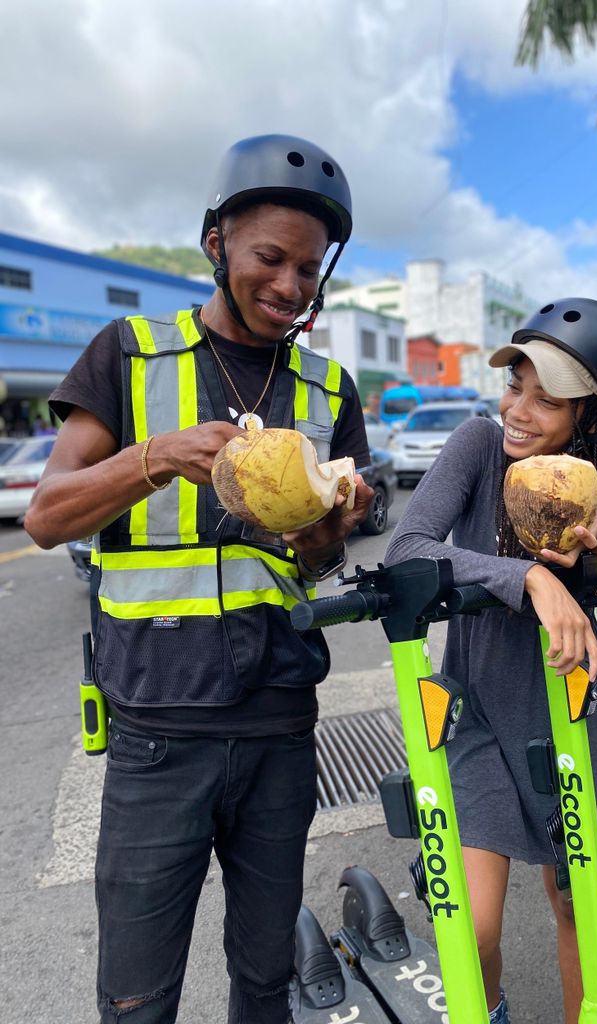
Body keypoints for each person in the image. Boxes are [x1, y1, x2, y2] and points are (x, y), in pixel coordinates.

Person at [25, 134, 373, 1024]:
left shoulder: (330, 389)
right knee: (138, 999)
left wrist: (331, 527)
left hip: (280, 734)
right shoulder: (130, 354)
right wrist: (154, 456)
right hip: (155, 737)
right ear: (216, 243)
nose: (290, 286)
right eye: (269, 258)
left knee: (264, 985)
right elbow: (47, 515)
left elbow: (312, 564)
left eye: (308, 268)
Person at [384, 298, 597, 1024]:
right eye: (515, 385)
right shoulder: (478, 446)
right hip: (475, 714)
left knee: (579, 911)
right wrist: (530, 577)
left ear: (595, 416)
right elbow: (407, 549)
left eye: (547, 399)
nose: (518, 409)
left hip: (571, 715)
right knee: (472, 927)